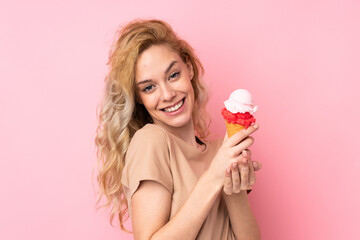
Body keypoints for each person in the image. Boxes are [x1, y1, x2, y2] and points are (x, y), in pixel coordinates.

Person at [95, 19, 262, 240]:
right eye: (149, 87)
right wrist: (214, 176)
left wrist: (235, 191)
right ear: (139, 98)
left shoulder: (219, 151)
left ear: (189, 69)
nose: (167, 94)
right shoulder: (151, 141)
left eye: (173, 75)